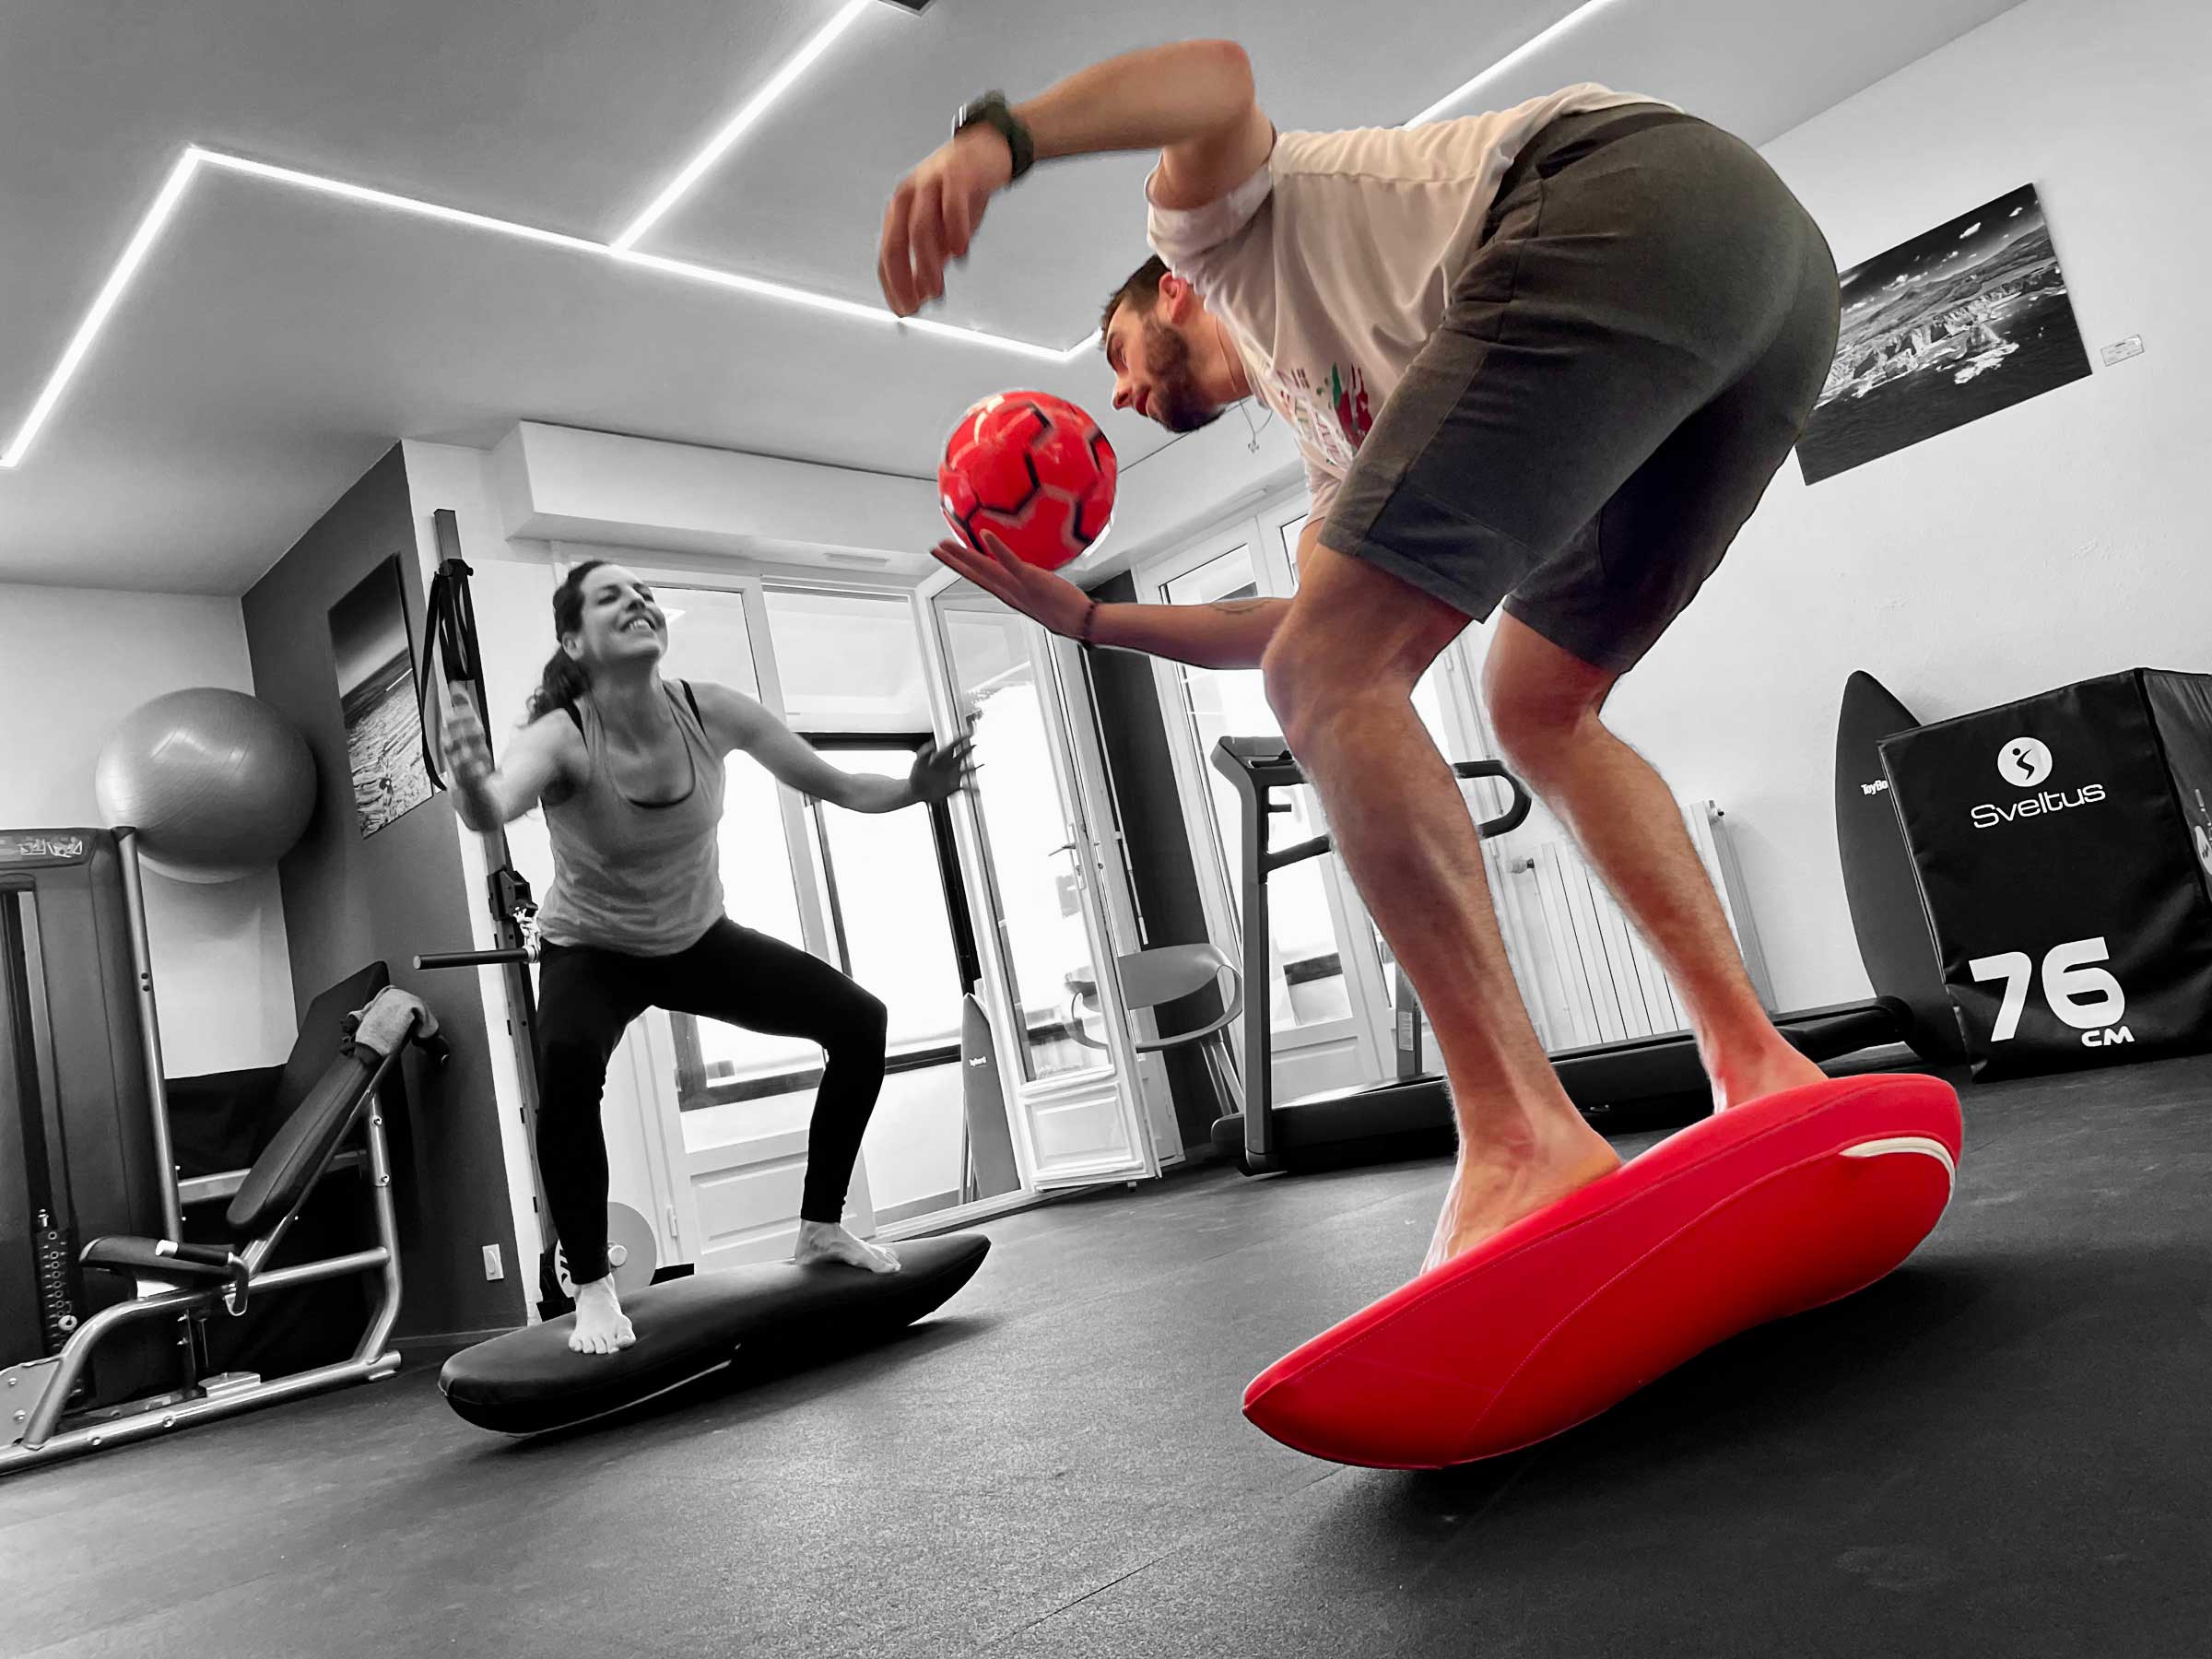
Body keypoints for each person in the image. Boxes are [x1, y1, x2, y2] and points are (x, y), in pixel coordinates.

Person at [879, 45, 1841, 1272]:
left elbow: (1217, 77)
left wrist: (995, 138)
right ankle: (1756, 1063)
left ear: (1165, 298)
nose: (1117, 396)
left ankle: (1517, 1135)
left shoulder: (1216, 242)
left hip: (1619, 198)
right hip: (1772, 287)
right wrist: (1090, 624)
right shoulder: (1336, 428)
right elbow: (1307, 632)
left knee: (1346, 676)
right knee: (1540, 703)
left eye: (1114, 352)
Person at [439, 560, 971, 1353]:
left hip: (696, 938)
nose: (639, 603)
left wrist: (913, 788)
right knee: (569, 1076)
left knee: (859, 1023)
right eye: (611, 598)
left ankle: (821, 1226)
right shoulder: (562, 736)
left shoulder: (711, 709)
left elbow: (832, 784)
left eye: (645, 594)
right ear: (574, 641)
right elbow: (495, 807)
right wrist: (470, 778)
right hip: (592, 947)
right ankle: (589, 1286)